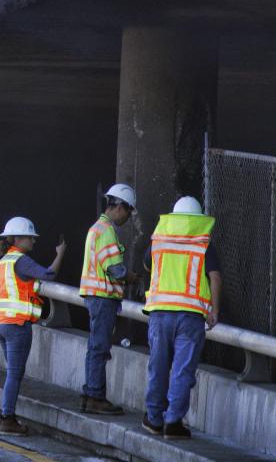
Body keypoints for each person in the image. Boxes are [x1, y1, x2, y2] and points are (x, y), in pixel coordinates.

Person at [142, 196, 222, 439]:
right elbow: (215, 277)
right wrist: (214, 310)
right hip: (190, 316)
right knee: (182, 370)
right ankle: (173, 422)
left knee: (158, 366)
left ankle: (154, 419)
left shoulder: (159, 238)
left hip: (160, 312)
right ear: (197, 217)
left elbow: (147, 265)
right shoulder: (203, 240)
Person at [0, 216, 66, 436]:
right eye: (30, 238)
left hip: (1, 323)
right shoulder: (21, 261)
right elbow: (49, 275)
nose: (34, 242)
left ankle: (6, 416)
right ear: (17, 238)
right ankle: (7, 419)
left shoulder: (3, 262)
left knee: (12, 373)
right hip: (17, 326)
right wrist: (60, 253)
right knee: (14, 374)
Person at [79, 183, 139, 415]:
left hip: (96, 296)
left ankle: (90, 394)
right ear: (120, 207)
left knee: (95, 347)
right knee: (100, 347)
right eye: (129, 211)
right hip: (103, 297)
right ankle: (95, 396)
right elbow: (115, 270)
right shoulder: (106, 231)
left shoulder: (97, 228)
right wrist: (130, 276)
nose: (129, 217)